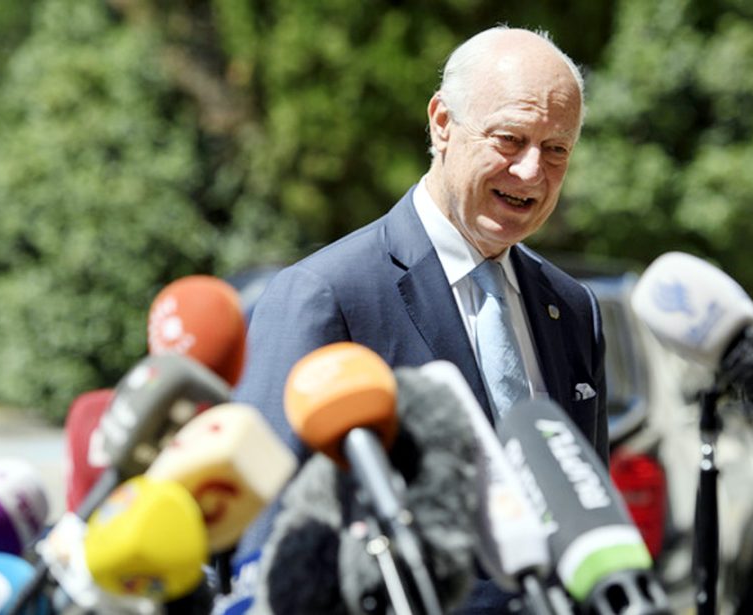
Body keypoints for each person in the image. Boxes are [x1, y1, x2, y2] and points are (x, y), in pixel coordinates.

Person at [233, 25, 607, 612]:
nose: (533, 172)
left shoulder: (572, 307)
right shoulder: (326, 295)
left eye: (556, 149)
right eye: (510, 139)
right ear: (442, 124)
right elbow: (264, 540)